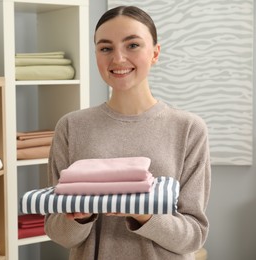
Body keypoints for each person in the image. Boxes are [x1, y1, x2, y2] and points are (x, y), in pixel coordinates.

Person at [44, 5, 211, 260]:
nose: (118, 59)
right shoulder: (71, 127)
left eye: (132, 45)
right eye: (105, 48)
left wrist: (143, 213)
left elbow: (193, 235)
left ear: (155, 53)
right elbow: (58, 232)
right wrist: (82, 215)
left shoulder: (188, 129)